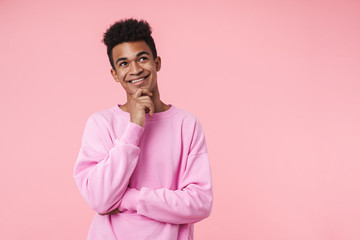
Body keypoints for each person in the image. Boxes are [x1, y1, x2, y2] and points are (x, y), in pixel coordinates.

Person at [73, 18, 213, 240]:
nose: (135, 69)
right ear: (115, 74)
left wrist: (129, 199)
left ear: (157, 62)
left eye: (142, 58)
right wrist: (134, 127)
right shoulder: (100, 123)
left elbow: (200, 204)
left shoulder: (187, 124)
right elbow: (99, 199)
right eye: (124, 63)